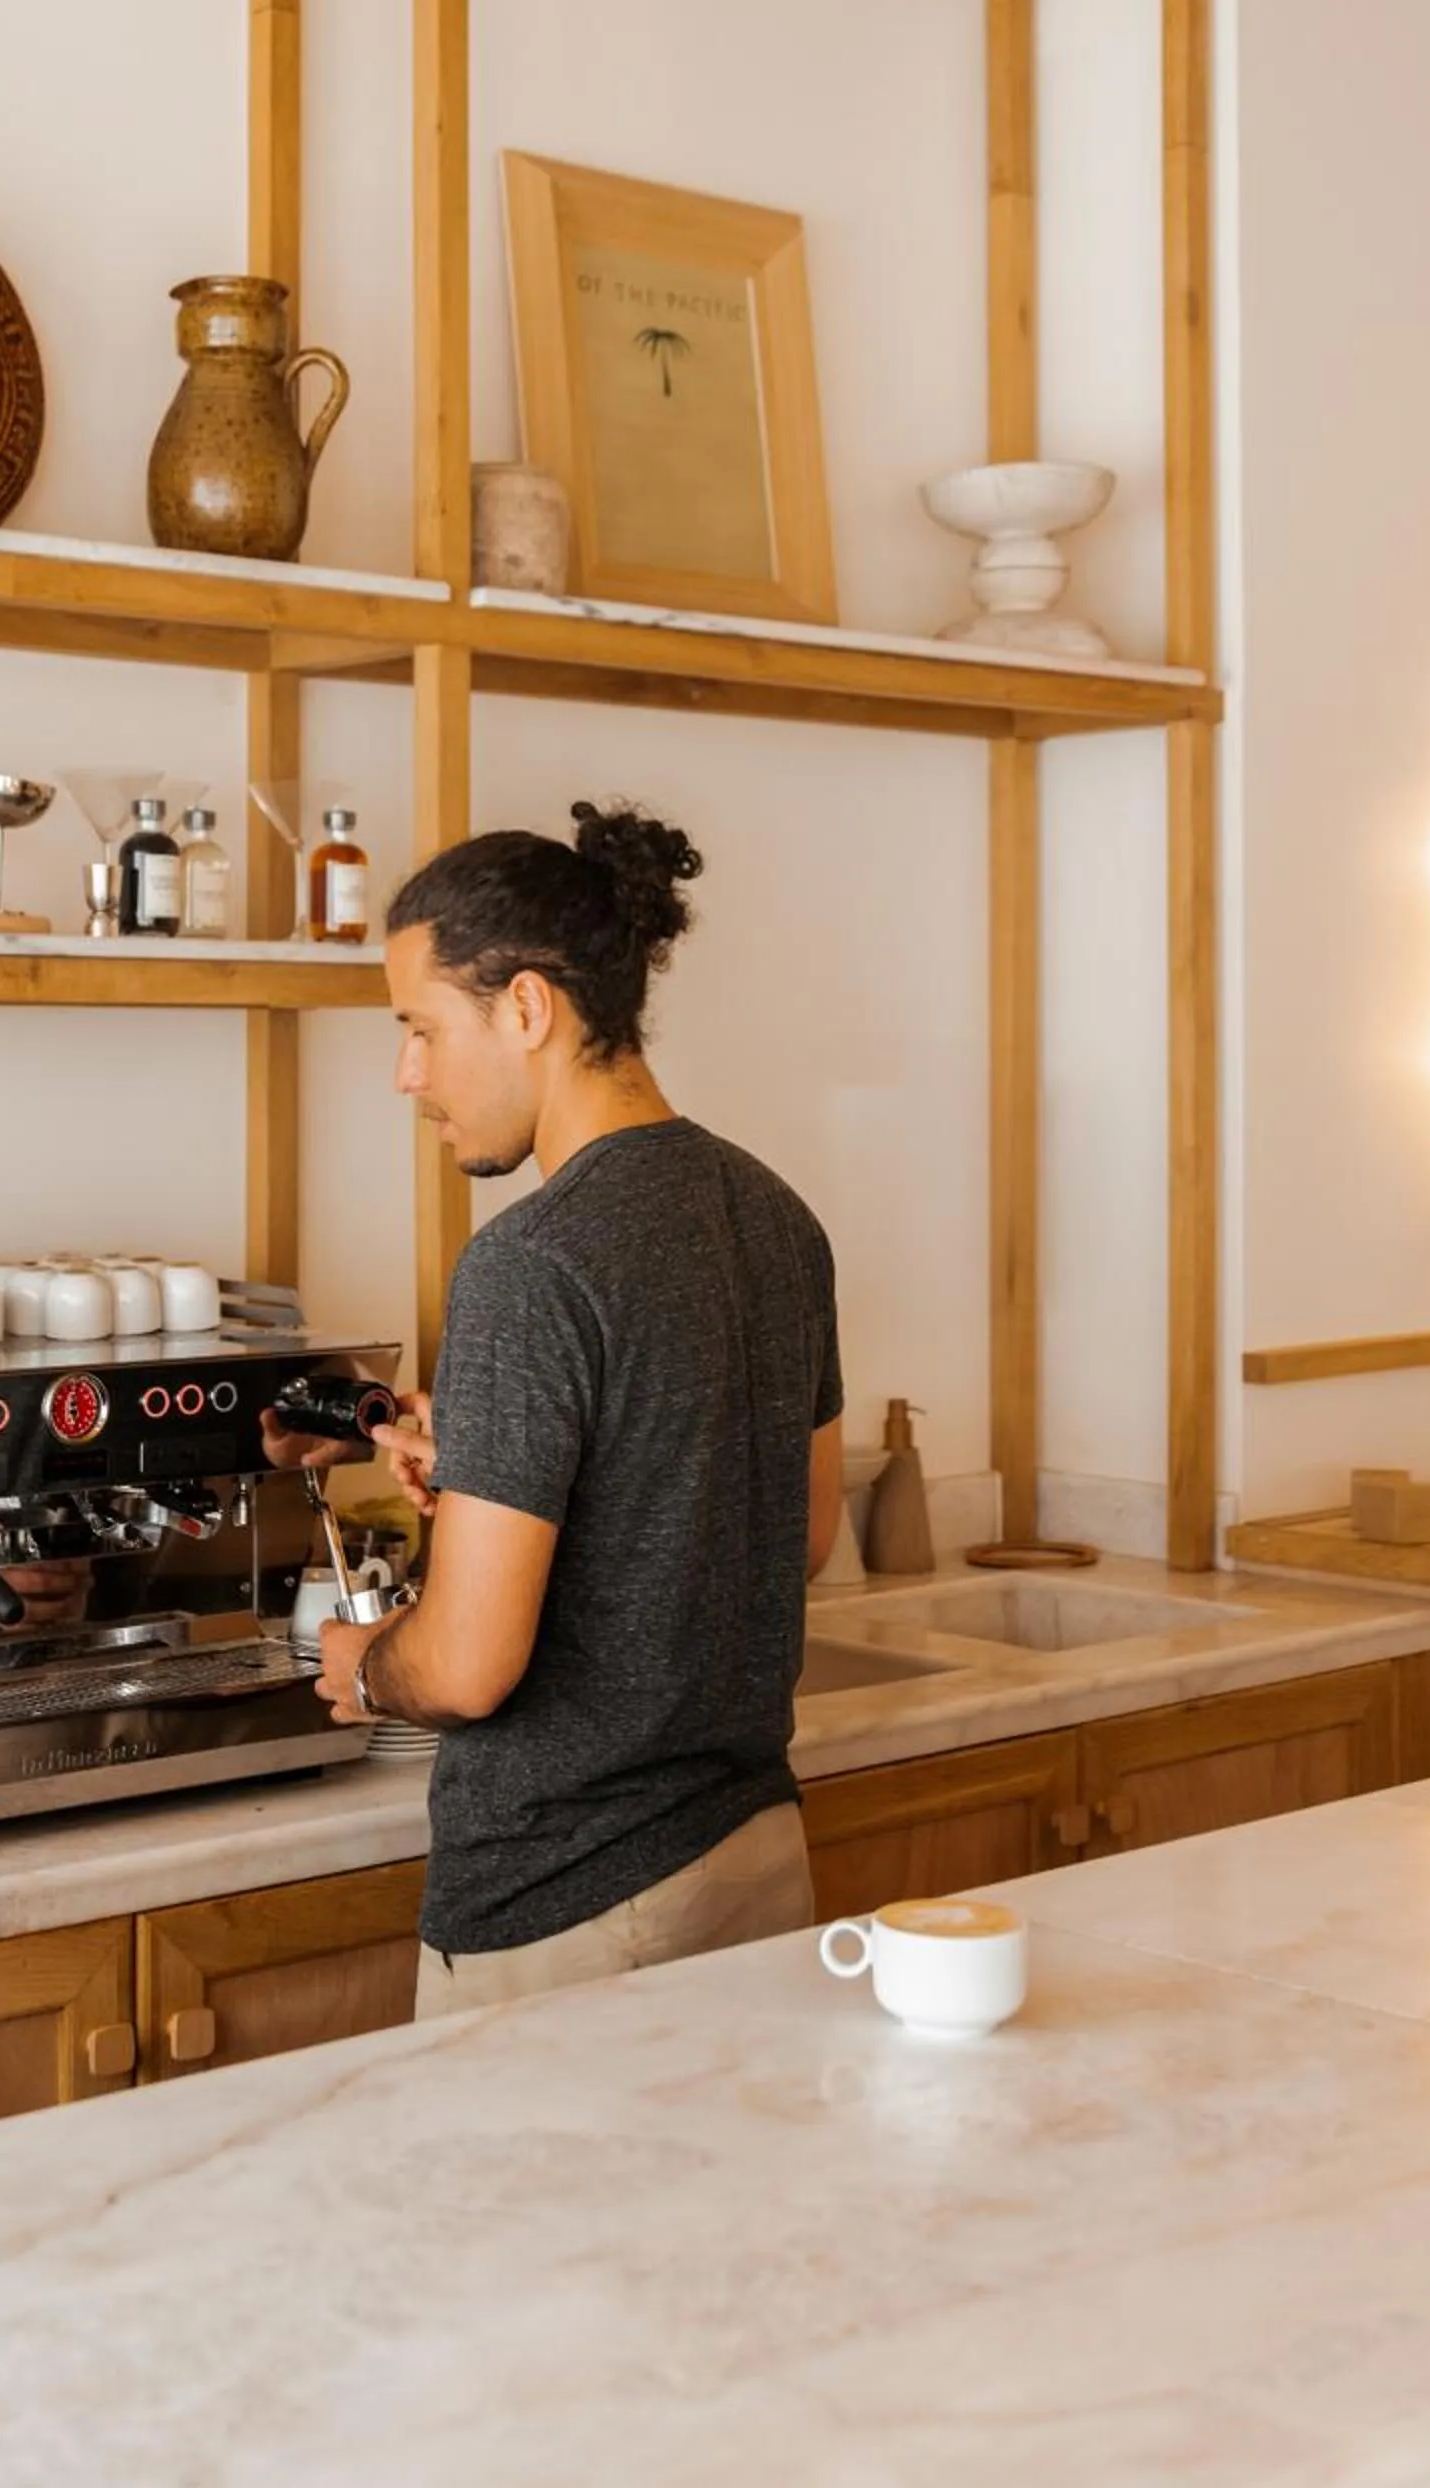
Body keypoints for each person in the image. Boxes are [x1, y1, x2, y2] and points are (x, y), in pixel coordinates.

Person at [262, 799, 845, 2020]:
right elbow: (796, 1535)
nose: (404, 1074)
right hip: (751, 1862)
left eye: (420, 1028)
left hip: (569, 1903)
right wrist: (497, 1466)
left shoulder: (531, 1262)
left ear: (527, 1009)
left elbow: (466, 1668)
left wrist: (367, 1668)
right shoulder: (774, 1217)